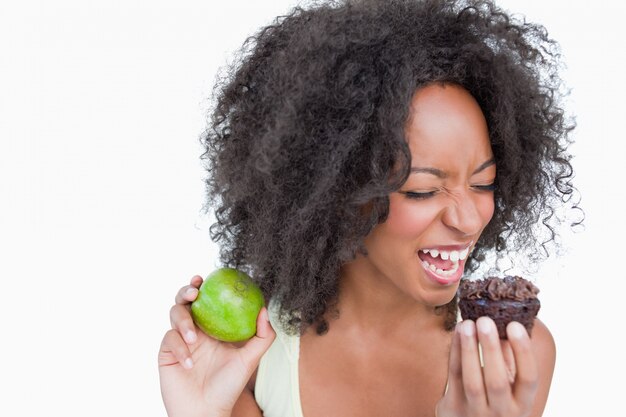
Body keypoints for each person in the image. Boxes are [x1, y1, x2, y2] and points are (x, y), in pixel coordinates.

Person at [158, 0, 579, 416]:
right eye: (423, 191)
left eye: (483, 183)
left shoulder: (511, 355)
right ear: (338, 192)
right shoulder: (254, 353)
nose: (468, 219)